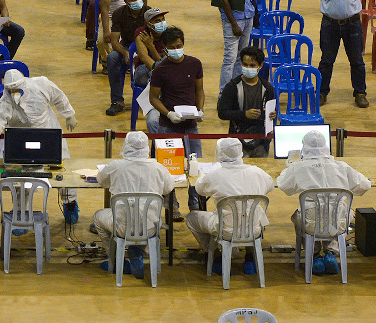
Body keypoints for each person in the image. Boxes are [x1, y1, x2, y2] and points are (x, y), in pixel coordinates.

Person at [0, 69, 80, 223]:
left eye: (17, 88)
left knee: (64, 171)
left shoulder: (41, 84)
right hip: (21, 143)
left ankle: (70, 203)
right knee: (21, 179)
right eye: (11, 90)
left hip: (48, 135)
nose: (14, 92)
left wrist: (69, 114)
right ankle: (21, 212)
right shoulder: (5, 103)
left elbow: (58, 96)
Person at [277, 130, 371, 276]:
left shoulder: (299, 168)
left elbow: (284, 186)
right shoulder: (341, 166)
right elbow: (364, 185)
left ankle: (315, 255)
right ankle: (331, 252)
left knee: (301, 216)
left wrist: (290, 167)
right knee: (336, 213)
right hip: (338, 222)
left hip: (310, 223)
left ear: (304, 147)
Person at [92, 131, 175, 279]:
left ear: (126, 145)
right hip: (150, 227)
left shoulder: (116, 166)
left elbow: (101, 180)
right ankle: (138, 249)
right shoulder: (158, 167)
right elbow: (168, 188)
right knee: (147, 220)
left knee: (98, 217)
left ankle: (117, 261)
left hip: (122, 227)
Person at [186, 138, 274, 275]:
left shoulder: (215, 175)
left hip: (225, 229)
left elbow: (199, 189)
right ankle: (250, 259)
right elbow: (269, 186)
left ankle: (216, 257)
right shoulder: (256, 172)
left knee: (192, 218)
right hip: (254, 229)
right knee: (257, 212)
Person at [146, 26, 204, 214]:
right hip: (168, 127)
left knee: (196, 167)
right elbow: (153, 98)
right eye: (172, 47)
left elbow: (199, 90)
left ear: (184, 44)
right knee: (169, 170)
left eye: (179, 46)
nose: (176, 50)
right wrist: (168, 113)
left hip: (191, 125)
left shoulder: (195, 64)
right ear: (164, 49)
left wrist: (200, 109)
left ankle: (195, 203)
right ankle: (172, 206)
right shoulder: (160, 69)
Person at [314, 0, 369, 108]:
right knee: (326, 60)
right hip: (329, 24)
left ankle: (360, 93)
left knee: (357, 60)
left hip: (352, 24)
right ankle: (322, 93)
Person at [217, 46, 276, 158]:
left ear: (260, 66)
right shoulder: (232, 87)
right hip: (237, 141)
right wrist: (244, 114)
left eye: (252, 65)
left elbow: (271, 110)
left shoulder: (267, 88)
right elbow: (222, 113)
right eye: (245, 64)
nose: (248, 68)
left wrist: (273, 114)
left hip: (260, 142)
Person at [105, 0, 150, 116]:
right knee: (112, 57)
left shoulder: (149, 14)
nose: (137, 1)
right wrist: (126, 53)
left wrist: (143, 53)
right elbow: (114, 41)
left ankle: (150, 100)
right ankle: (117, 101)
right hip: (126, 47)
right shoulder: (118, 14)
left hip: (146, 48)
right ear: (126, 1)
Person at [133, 8, 168, 87]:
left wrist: (151, 47)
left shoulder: (168, 34)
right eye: (157, 21)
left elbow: (165, 63)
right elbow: (144, 57)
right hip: (143, 68)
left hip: (162, 68)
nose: (162, 23)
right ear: (149, 24)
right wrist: (160, 72)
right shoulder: (141, 33)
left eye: (163, 19)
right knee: (155, 77)